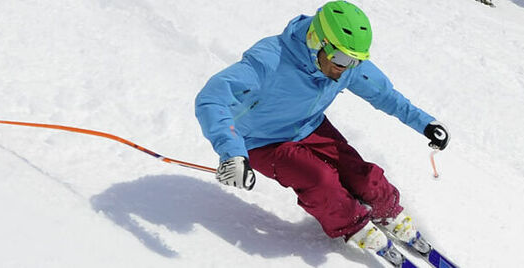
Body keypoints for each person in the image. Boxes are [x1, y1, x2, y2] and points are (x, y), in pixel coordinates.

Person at [192, 0, 449, 261]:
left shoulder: (345, 64)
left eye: (355, 61)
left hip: (309, 125)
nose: (345, 67)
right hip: (261, 141)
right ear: (316, 40)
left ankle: (389, 211)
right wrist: (232, 152)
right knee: (321, 180)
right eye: (340, 57)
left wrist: (426, 123)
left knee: (361, 175)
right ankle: (354, 225)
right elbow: (211, 99)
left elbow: (385, 95)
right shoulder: (269, 59)